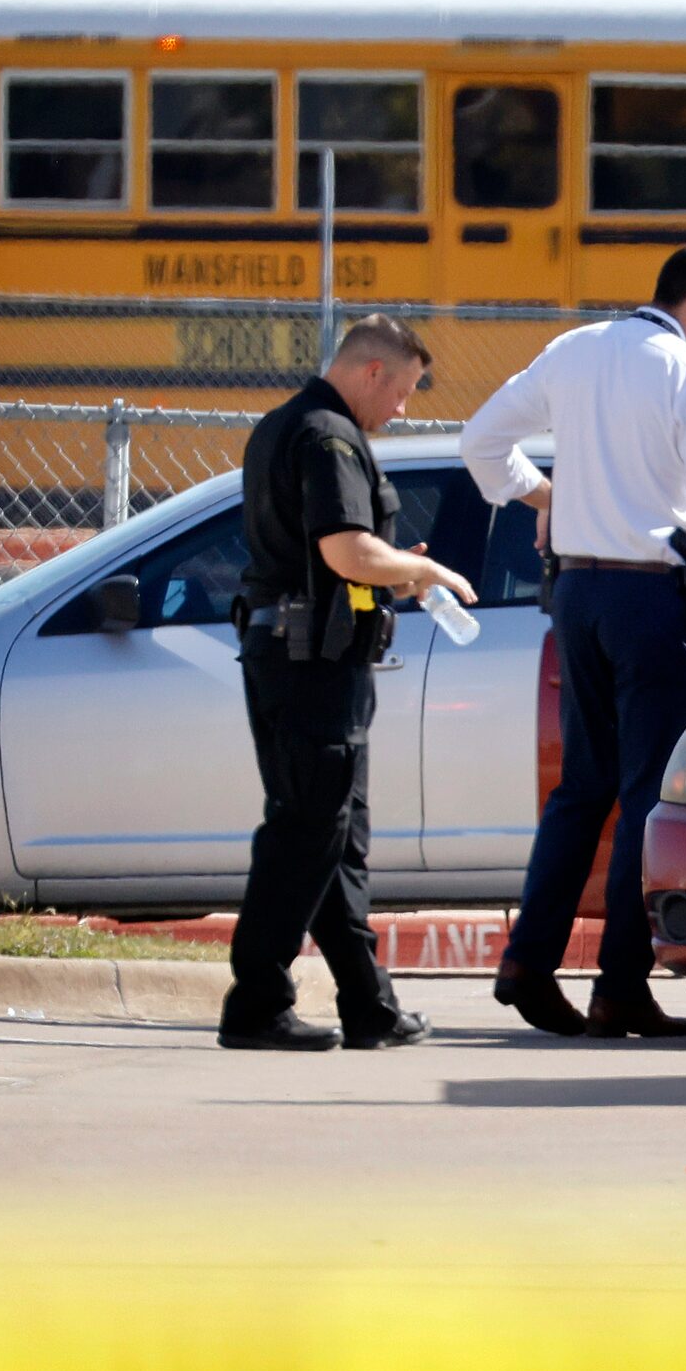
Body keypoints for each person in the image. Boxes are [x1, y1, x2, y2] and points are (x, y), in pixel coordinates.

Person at [461, 243, 686, 1039]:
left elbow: (481, 442)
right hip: (648, 594)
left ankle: (528, 959)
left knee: (581, 787)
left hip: (577, 589)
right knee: (647, 793)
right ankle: (620, 984)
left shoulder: (577, 349)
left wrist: (545, 493)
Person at [220, 315, 475, 1051]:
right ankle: (258, 1003)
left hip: (301, 651)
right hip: (311, 665)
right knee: (306, 831)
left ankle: (370, 1005)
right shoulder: (329, 435)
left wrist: (388, 571)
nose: (403, 407)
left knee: (333, 835)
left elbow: (337, 558)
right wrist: (421, 569)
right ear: (371, 372)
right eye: (402, 389)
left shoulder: (284, 424)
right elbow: (345, 550)